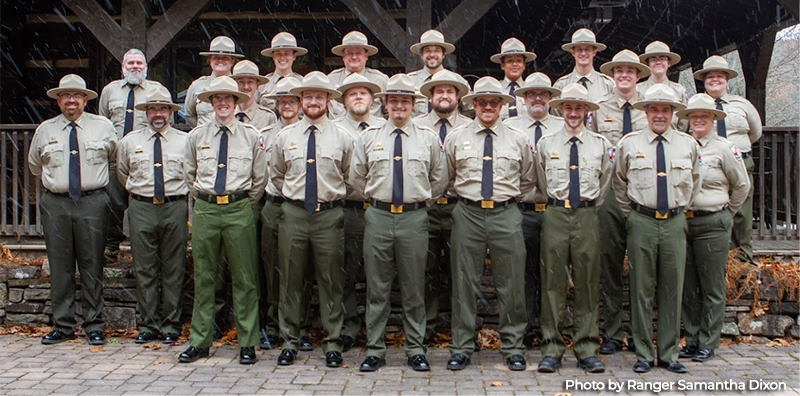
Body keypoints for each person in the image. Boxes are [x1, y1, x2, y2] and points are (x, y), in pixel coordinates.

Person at [352, 74, 447, 372]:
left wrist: (420, 203)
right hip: (378, 216)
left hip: (414, 217)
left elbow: (439, 178)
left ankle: (416, 349)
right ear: (385, 104)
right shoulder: (369, 137)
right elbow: (356, 176)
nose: (399, 106)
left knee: (414, 287)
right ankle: (375, 350)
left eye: (405, 101)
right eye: (394, 100)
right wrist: (375, 200)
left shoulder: (428, 139)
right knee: (377, 287)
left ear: (413, 105)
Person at [444, 76, 535, 372]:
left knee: (511, 283)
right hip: (468, 212)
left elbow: (528, 177)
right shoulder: (457, 137)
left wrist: (506, 200)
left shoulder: (518, 139)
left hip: (505, 213)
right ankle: (461, 345)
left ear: (501, 105)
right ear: (472, 105)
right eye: (481, 102)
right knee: (464, 281)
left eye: (493, 102)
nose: (487, 107)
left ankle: (512, 346)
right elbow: (447, 176)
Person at [178, 76, 267, 365]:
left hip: (238, 208)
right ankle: (200, 341)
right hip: (205, 209)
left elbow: (259, 178)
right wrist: (207, 199)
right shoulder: (196, 136)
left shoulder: (251, 135)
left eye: (229, 98)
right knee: (204, 277)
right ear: (211, 103)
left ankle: (247, 342)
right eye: (218, 98)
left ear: (237, 102)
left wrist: (239, 202)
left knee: (244, 277)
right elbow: (189, 174)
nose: (223, 102)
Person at [614, 84, 700, 374]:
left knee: (672, 288)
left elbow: (695, 180)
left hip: (675, 220)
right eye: (654, 109)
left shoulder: (688, 144)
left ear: (673, 113)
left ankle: (668, 352)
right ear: (646, 112)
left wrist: (680, 206)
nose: (660, 115)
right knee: (640, 289)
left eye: (665, 109)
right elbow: (619, 182)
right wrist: (633, 215)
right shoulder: (630, 143)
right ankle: (642, 352)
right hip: (642, 220)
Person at [271, 72, 353, 368]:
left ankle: (332, 342)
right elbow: (277, 175)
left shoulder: (343, 137)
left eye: (320, 96)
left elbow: (351, 176)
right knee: (291, 279)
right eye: (308, 96)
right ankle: (290, 341)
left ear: (328, 100)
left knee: (330, 280)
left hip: (328, 215)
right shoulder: (285, 136)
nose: (314, 101)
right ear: (301, 100)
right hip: (293, 213)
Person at [30, 74, 117, 346]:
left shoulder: (103, 126)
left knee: (92, 264)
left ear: (85, 99)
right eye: (65, 95)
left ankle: (94, 325)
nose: (71, 100)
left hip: (92, 201)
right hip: (56, 202)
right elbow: (35, 165)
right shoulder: (45, 129)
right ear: (58, 100)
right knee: (60, 266)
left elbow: (114, 161)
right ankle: (63, 325)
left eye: (77, 95)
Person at [534, 83, 612, 374]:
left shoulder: (600, 145)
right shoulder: (546, 144)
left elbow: (605, 184)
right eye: (568, 107)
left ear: (587, 112)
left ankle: (587, 348)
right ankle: (552, 349)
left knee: (588, 284)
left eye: (579, 108)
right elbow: (541, 181)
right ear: (561, 110)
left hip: (587, 217)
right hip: (555, 213)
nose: (573, 113)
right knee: (552, 283)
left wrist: (588, 207)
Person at [677, 94, 749, 363]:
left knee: (712, 286)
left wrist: (726, 213)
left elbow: (741, 185)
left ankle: (709, 341)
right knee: (689, 285)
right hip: (684, 221)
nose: (698, 120)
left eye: (704, 116)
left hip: (712, 222)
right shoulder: (681, 145)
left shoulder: (724, 148)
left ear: (712, 119)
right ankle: (692, 339)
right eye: (694, 116)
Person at [117, 85, 188, 344]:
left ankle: (171, 324)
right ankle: (149, 324)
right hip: (142, 206)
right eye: (153, 109)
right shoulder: (129, 142)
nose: (158, 114)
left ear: (171, 112)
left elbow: (191, 174)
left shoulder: (185, 140)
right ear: (146, 112)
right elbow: (123, 173)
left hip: (174, 206)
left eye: (163, 109)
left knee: (174, 267)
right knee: (144, 268)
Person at [592, 49, 651, 355]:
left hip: (643, 193)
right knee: (610, 264)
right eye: (619, 71)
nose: (624, 75)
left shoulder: (649, 108)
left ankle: (643, 333)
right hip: (611, 193)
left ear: (638, 75)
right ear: (612, 76)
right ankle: (613, 332)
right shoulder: (600, 110)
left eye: (630, 70)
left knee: (644, 268)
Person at [503, 72, 563, 348]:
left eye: (543, 93)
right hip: (522, 208)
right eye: (531, 94)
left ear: (551, 98)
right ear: (523, 98)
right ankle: (524, 329)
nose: (537, 98)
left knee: (553, 273)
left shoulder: (564, 127)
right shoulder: (509, 128)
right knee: (522, 272)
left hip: (554, 210)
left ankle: (553, 330)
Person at [257, 76, 315, 351]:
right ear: (276, 104)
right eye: (282, 101)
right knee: (273, 269)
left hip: (303, 209)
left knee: (300, 271)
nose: (287, 106)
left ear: (300, 104)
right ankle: (272, 326)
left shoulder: (312, 131)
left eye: (292, 101)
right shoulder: (264, 134)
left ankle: (300, 327)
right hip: (274, 205)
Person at [414, 69, 472, 344]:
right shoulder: (417, 125)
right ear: (431, 96)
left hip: (458, 207)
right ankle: (425, 329)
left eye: (450, 91)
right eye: (439, 91)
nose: (445, 96)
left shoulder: (470, 126)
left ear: (458, 97)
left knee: (461, 271)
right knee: (425, 270)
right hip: (425, 207)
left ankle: (463, 332)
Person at [334, 73, 386, 351]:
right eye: (352, 93)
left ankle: (379, 329)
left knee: (382, 273)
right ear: (343, 100)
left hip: (382, 210)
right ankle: (349, 328)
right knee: (347, 273)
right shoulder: (333, 129)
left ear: (372, 100)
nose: (358, 98)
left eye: (363, 93)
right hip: (350, 208)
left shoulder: (385, 127)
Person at [97, 48, 164, 261]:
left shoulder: (156, 90)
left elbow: (163, 121)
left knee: (142, 205)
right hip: (117, 158)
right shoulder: (110, 91)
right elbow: (103, 122)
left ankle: (143, 249)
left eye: (139, 63)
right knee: (113, 203)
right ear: (122, 68)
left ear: (146, 67)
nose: (135, 66)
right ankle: (111, 246)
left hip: (144, 159)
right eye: (130, 63)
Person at [694, 55, 762, 263]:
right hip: (709, 165)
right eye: (710, 77)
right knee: (715, 210)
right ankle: (720, 255)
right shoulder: (696, 106)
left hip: (739, 160)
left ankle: (742, 258)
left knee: (741, 210)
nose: (715, 80)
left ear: (727, 79)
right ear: (704, 80)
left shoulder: (743, 104)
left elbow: (755, 132)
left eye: (719, 76)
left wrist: (733, 150)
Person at [184, 36, 243, 128]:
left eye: (225, 58)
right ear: (209, 60)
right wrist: (203, 132)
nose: (220, 61)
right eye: (216, 57)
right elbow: (189, 114)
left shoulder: (241, 86)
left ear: (232, 61)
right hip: (205, 140)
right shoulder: (197, 85)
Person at [327, 31, 389, 119]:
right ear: (343, 56)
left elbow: (389, 112)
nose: (354, 57)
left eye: (358, 53)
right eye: (349, 53)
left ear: (366, 56)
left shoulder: (380, 80)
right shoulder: (330, 80)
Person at [553, 28, 614, 106]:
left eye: (587, 49)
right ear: (572, 52)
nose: (583, 53)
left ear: (594, 52)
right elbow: (556, 116)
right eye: (579, 49)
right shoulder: (561, 85)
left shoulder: (608, 84)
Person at [637, 41, 689, 131]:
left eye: (662, 58)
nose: (658, 62)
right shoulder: (636, 90)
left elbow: (683, 124)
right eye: (653, 59)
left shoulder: (680, 91)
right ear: (647, 64)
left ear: (669, 63)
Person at [407, 29, 457, 117]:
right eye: (427, 50)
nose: (432, 54)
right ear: (421, 54)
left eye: (437, 50)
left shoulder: (457, 80)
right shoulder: (409, 81)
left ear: (444, 54)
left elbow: (470, 111)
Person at [258, 32, 307, 111]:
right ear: (273, 56)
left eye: (287, 53)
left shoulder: (302, 83)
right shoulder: (263, 84)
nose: (282, 58)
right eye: (278, 54)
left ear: (294, 56)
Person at [490, 38, 536, 120]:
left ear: (524, 65)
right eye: (510, 61)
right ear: (502, 65)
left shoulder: (532, 90)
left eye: (518, 60)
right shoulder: (494, 90)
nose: (514, 64)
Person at [230, 60, 277, 129]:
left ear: (257, 85)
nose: (246, 87)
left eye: (250, 82)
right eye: (241, 82)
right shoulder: (225, 114)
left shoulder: (267, 117)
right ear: (234, 84)